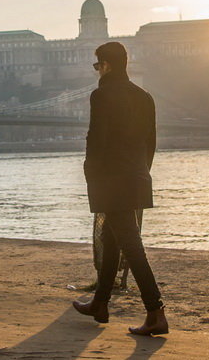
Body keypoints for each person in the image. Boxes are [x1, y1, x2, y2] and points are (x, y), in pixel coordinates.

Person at [71, 41, 168, 336]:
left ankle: (155, 311)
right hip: (136, 177)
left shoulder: (101, 95)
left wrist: (91, 173)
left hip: (110, 179)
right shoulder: (144, 96)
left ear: (107, 65)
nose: (97, 70)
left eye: (97, 65)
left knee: (131, 244)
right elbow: (151, 142)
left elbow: (96, 138)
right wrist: (141, 172)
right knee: (110, 237)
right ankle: (100, 303)